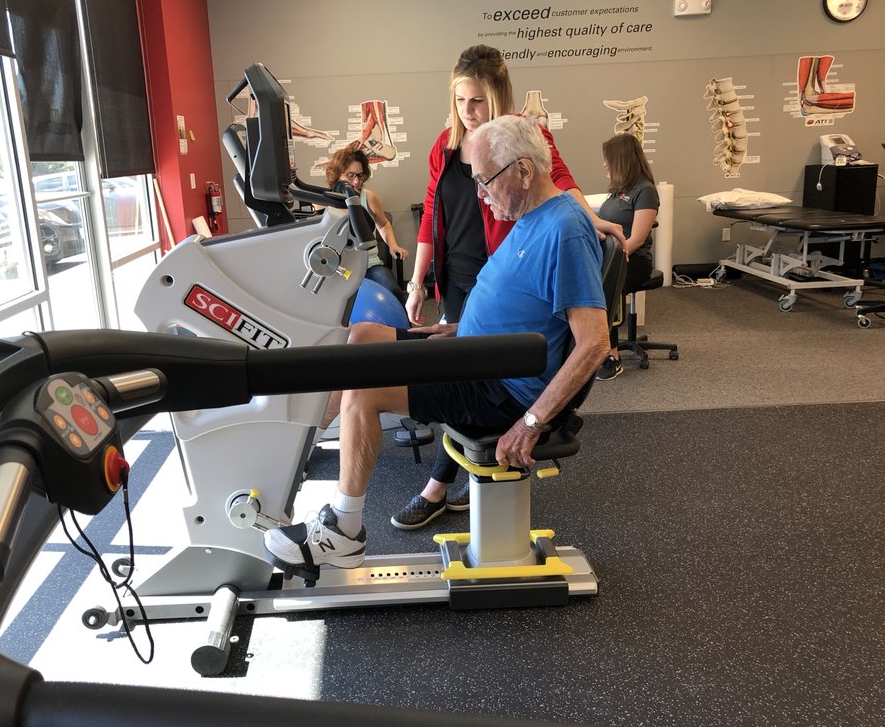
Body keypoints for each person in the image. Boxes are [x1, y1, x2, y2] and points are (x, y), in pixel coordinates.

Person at [263, 115, 610, 573]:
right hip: (476, 353)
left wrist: (531, 422)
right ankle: (294, 457)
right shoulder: (531, 217)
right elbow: (526, 305)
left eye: (485, 181)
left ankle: (343, 532)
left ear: (524, 171)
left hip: (500, 389)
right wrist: (464, 328)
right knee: (360, 337)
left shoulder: (565, 229)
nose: (481, 194)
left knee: (363, 390)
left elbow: (594, 342)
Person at [396, 44, 621, 530]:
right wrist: (417, 282)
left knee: (383, 383)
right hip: (466, 275)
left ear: (497, 96)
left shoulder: (522, 148)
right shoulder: (446, 146)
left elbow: (555, 179)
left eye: (477, 101)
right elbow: (432, 209)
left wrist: (587, 220)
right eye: (460, 101)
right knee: (377, 346)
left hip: (506, 268)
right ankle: (455, 481)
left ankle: (438, 486)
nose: (467, 111)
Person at [594, 133, 660, 382]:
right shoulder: (618, 191)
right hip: (615, 258)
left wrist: (614, 260)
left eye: (607, 159)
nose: (604, 164)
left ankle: (611, 357)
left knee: (603, 289)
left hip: (635, 260)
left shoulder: (645, 191)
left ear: (621, 159)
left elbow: (638, 239)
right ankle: (590, 348)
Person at [324, 146, 408, 301]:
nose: (356, 182)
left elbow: (383, 224)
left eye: (360, 176)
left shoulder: (369, 197)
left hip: (369, 264)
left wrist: (393, 245)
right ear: (337, 174)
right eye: (350, 176)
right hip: (338, 268)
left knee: (393, 294)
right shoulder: (322, 203)